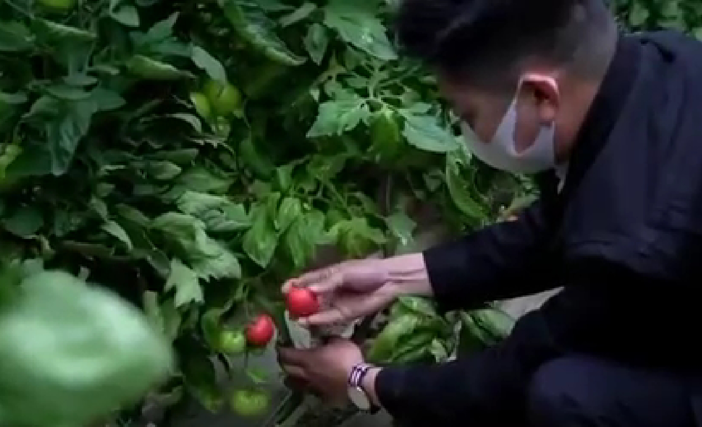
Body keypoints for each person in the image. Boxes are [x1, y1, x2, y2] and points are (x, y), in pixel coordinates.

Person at [277, 0, 702, 425]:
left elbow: (515, 371)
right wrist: (394, 277)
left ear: (540, 95)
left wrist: (361, 381)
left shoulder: (636, 240)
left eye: (469, 115)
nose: (467, 134)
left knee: (565, 395)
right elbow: (558, 226)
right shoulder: (663, 65)